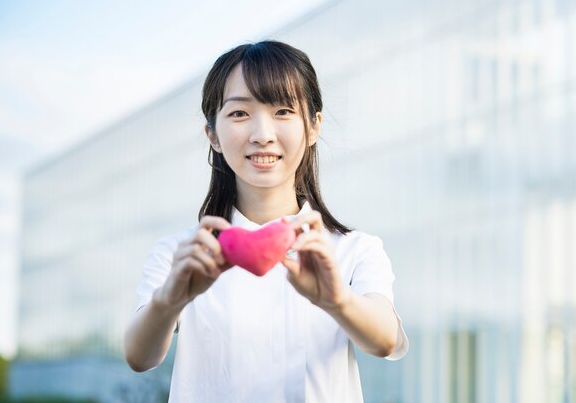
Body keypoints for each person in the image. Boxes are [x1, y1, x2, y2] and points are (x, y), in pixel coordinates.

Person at [124, 40, 408, 403]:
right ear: (212, 133)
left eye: (284, 111)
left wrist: (337, 300)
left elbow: (385, 341)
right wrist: (170, 300)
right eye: (240, 114)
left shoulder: (355, 249)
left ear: (314, 126)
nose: (262, 134)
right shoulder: (183, 254)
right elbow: (139, 356)